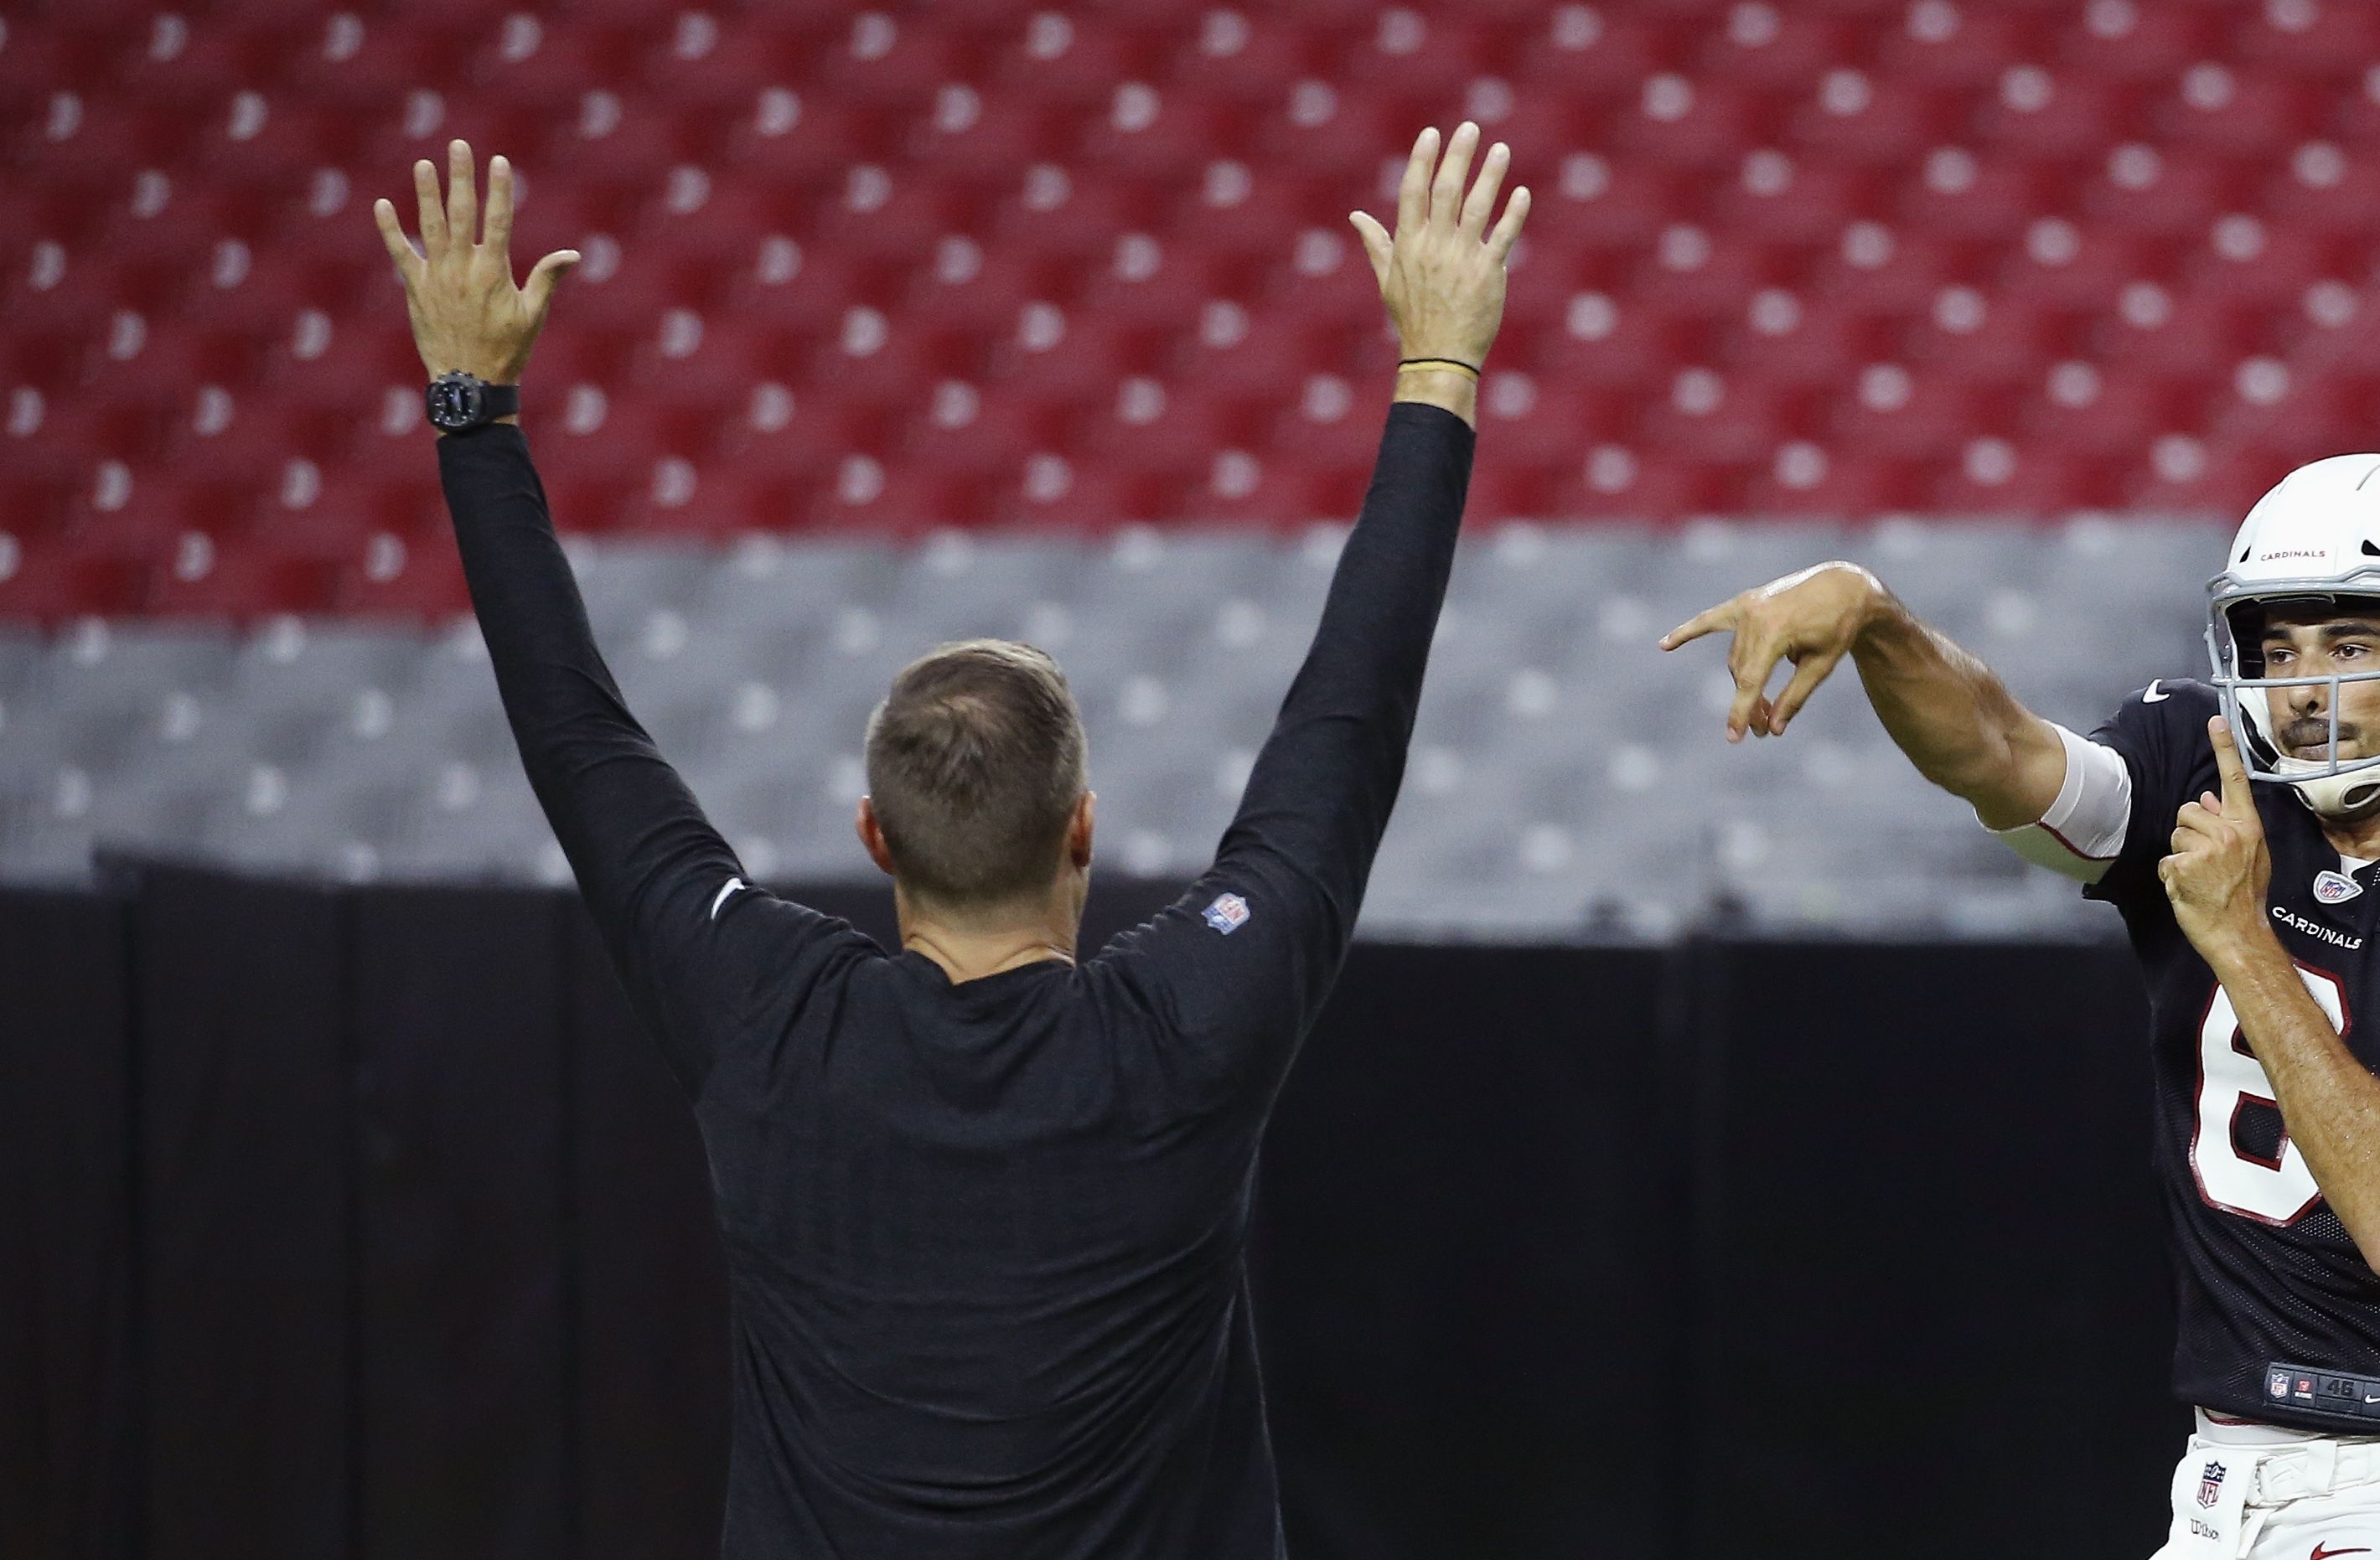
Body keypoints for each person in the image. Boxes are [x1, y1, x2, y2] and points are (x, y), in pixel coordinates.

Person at [372, 126, 1527, 1558]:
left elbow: (577, 741)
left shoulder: (765, 1021)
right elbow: (1348, 727)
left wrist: (472, 411)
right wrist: (1438, 372)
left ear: (875, 838)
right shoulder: (1183, 1035)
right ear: (1083, 832)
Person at [1665, 455, 2380, 1559]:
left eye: (2351, 645)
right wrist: (1876, 617)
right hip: (2219, 1480)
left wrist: (2242, 938)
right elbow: (1999, 751)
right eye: (2278, 647)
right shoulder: (2201, 771)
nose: (2304, 690)